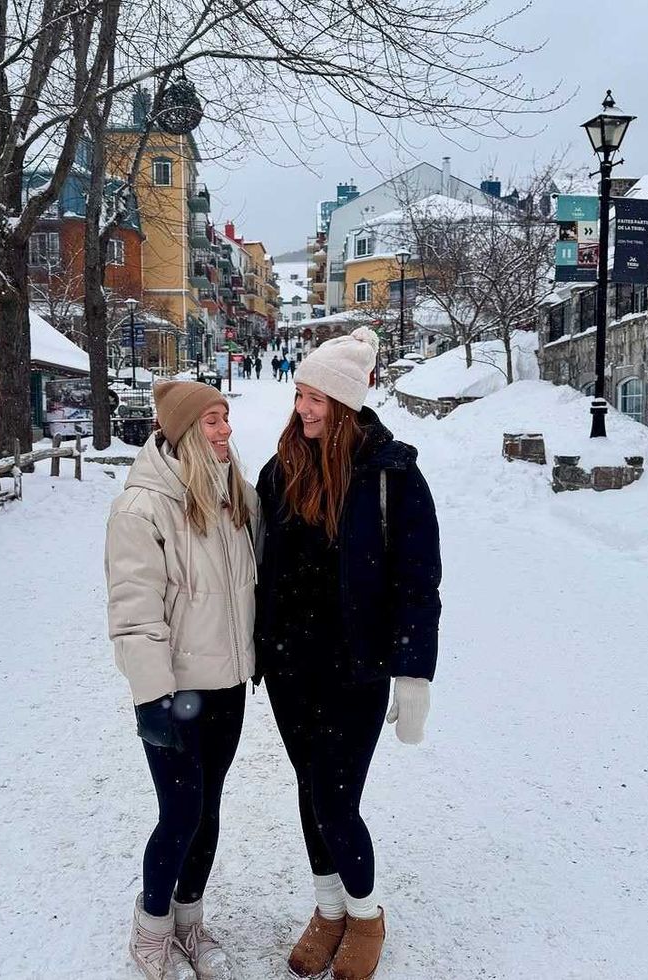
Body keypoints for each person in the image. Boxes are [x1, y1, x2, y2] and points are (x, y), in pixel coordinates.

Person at [254, 327, 442, 980]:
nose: (302, 408)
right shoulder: (279, 470)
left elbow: (420, 583)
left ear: (347, 404)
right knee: (310, 793)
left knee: (336, 799)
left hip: (355, 669)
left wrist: (414, 673)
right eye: (300, 394)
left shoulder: (394, 477)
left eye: (316, 399)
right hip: (287, 664)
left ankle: (365, 914)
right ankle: (327, 908)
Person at [106, 380, 261, 980]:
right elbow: (133, 611)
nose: (224, 431)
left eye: (226, 419)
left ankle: (190, 918)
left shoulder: (231, 496)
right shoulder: (141, 509)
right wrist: (152, 697)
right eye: (211, 422)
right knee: (180, 810)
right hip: (175, 694)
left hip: (226, 685)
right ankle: (151, 926)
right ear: (183, 432)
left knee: (210, 806)